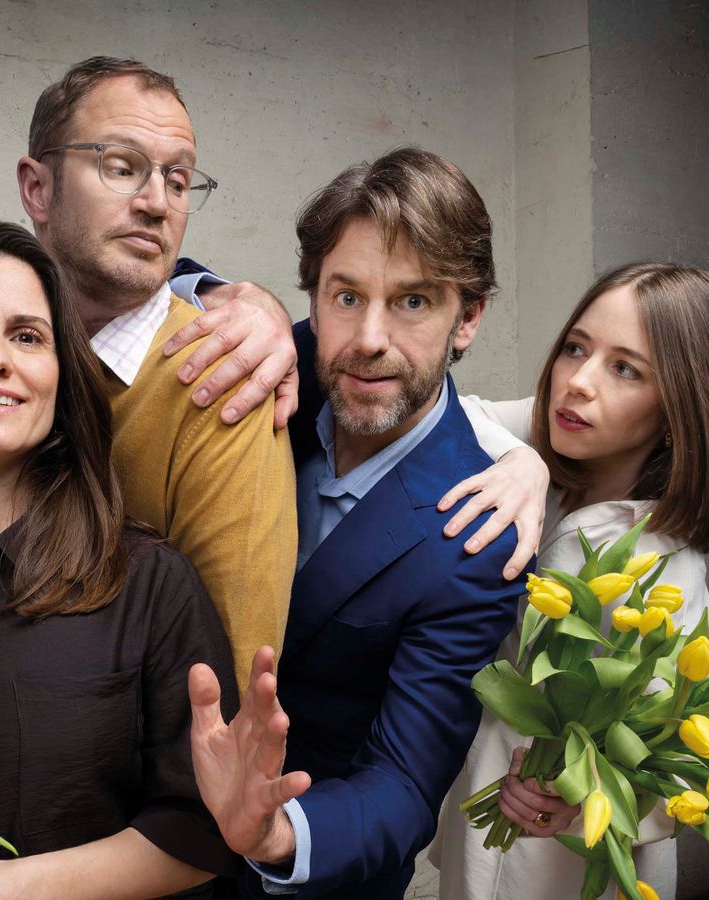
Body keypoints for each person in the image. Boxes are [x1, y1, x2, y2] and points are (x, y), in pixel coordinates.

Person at [0, 219, 239, 898]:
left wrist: (4, 890)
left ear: (59, 378)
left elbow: (204, 830)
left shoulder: (151, 585)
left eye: (26, 336)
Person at [188, 148, 536, 900]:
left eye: (413, 302)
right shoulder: (284, 359)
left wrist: (276, 833)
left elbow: (406, 782)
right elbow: (150, 286)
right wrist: (232, 294)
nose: (370, 337)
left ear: (468, 317)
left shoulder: (477, 539)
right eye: (346, 297)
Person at [430, 262, 709, 900]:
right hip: (485, 806)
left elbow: (684, 738)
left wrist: (577, 788)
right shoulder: (558, 444)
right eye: (576, 347)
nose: (579, 382)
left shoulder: (650, 561)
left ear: (680, 408)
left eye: (625, 368)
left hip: (560, 854)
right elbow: (449, 413)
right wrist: (522, 462)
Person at [16, 57, 297, 694]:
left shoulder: (225, 378)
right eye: (121, 167)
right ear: (38, 188)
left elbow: (227, 690)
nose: (156, 203)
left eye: (177, 180)